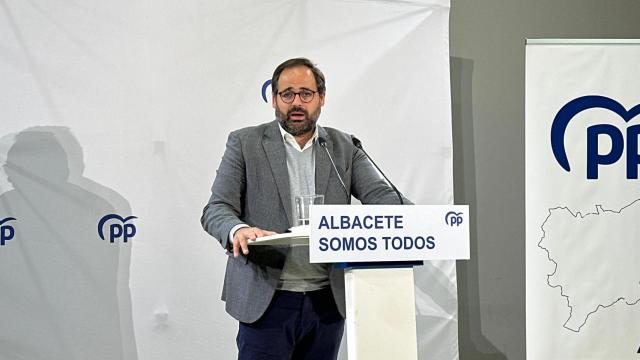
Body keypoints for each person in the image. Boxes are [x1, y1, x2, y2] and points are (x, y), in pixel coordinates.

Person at [201, 57, 410, 359]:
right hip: (267, 299)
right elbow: (217, 209)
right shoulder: (245, 143)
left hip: (327, 301)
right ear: (274, 99)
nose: (296, 102)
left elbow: (384, 197)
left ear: (321, 98)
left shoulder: (344, 146)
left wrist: (422, 220)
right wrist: (238, 229)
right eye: (287, 94)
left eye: (306, 93)